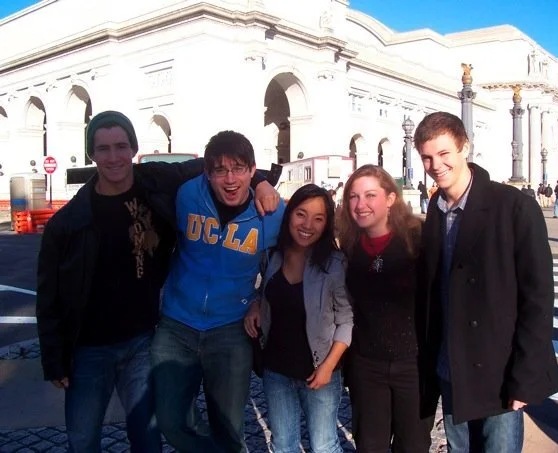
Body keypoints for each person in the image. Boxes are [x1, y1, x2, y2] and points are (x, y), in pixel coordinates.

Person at [36, 112, 279, 453]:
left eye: (121, 146)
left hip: (146, 339)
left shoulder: (155, 182)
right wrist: (54, 358)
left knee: (151, 438)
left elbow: (220, 168)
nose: (113, 156)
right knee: (87, 438)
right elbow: (49, 295)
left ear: (135, 148)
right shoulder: (68, 221)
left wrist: (265, 180)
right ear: (92, 154)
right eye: (103, 148)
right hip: (94, 346)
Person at [414, 112, 558, 453]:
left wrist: (525, 375)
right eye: (427, 157)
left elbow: (537, 299)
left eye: (444, 154)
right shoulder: (435, 213)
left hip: (498, 369)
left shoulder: (512, 207)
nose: (436, 165)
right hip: (451, 366)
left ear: (464, 147)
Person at [151, 130, 286, 453]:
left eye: (239, 169)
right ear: (207, 173)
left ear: (252, 171)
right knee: (170, 421)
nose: (230, 179)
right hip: (176, 325)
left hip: (230, 329)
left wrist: (259, 301)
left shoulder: (271, 213)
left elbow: (281, 269)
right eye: (220, 170)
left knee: (228, 427)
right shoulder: (186, 195)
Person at [244, 184, 353, 453]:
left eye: (318, 218)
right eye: (301, 214)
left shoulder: (335, 263)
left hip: (319, 370)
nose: (308, 225)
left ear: (327, 224)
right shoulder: (272, 255)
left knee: (323, 445)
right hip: (277, 370)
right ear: (289, 214)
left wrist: (328, 366)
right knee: (282, 444)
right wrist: (255, 305)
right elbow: (260, 290)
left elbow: (347, 320)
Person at [338, 164, 434, 452]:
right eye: (353, 197)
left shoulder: (418, 240)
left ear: (391, 199)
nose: (361, 204)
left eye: (370, 195)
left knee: (413, 445)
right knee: (370, 445)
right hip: (367, 364)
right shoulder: (350, 246)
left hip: (414, 364)